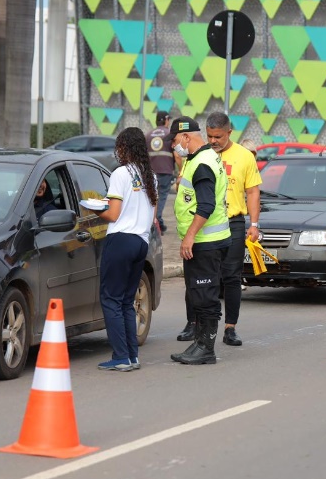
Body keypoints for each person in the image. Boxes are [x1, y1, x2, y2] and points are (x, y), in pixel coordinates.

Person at [175, 112, 261, 346]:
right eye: (210, 136)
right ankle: (193, 323)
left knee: (231, 276)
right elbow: (182, 185)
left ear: (229, 133)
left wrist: (254, 224)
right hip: (203, 222)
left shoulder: (244, 157)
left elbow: (252, 192)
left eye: (218, 137)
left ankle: (230, 327)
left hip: (232, 222)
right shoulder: (199, 156)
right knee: (197, 276)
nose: (213, 141)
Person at [165, 116, 231, 365]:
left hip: (205, 241)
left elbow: (206, 205)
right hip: (206, 240)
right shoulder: (200, 158)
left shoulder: (202, 162)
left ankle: (206, 349)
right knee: (199, 294)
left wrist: (189, 237)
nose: (173, 146)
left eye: (174, 141)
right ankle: (199, 343)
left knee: (205, 296)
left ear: (185, 136)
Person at [91, 127, 158, 372]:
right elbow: (152, 214)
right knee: (126, 301)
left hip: (120, 240)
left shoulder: (120, 173)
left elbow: (113, 214)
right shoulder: (150, 175)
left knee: (110, 300)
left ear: (124, 147)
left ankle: (120, 357)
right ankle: (131, 355)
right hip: (141, 242)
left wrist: (93, 208)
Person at [146, 111, 180, 234]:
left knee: (151, 197)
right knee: (162, 197)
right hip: (165, 171)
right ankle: (157, 220)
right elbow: (177, 155)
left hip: (150, 172)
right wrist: (181, 170)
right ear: (166, 120)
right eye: (168, 120)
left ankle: (153, 219)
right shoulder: (169, 135)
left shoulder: (148, 135)